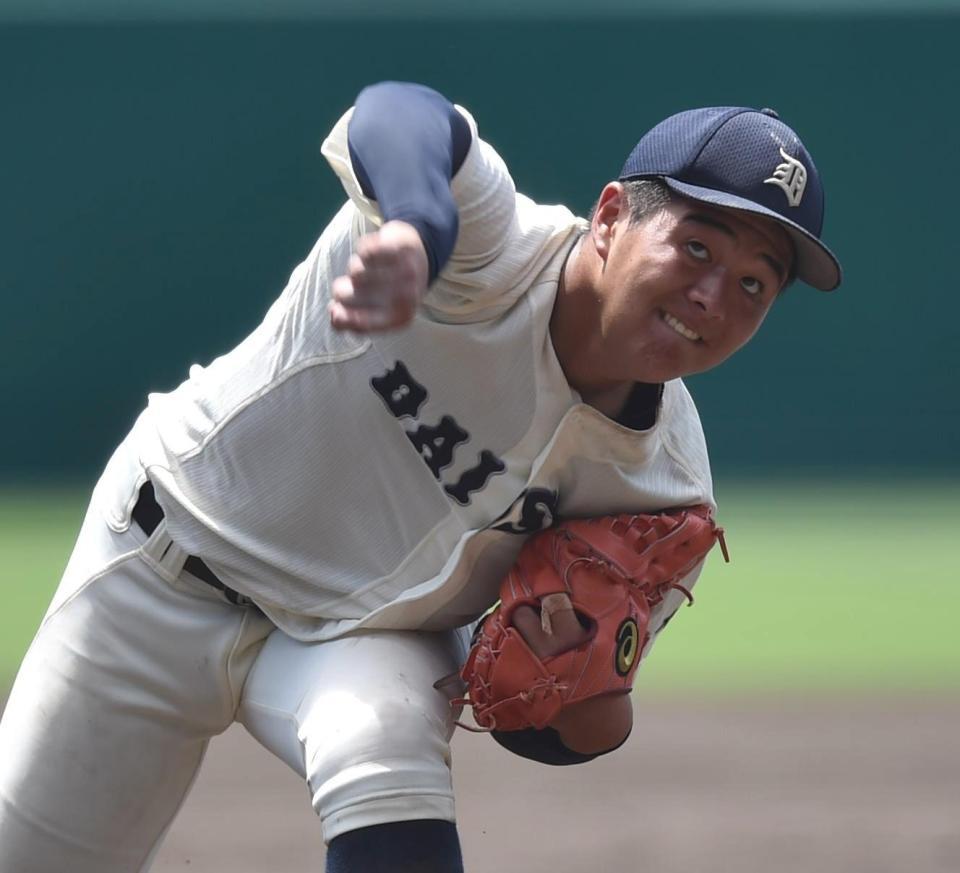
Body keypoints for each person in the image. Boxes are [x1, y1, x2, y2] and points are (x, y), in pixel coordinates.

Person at [0, 81, 840, 873]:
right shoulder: (486, 249)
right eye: (697, 246)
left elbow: (550, 728)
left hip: (358, 642)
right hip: (162, 569)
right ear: (612, 217)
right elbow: (398, 113)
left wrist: (578, 691)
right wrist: (412, 227)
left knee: (388, 745)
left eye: (754, 285)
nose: (713, 296)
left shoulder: (664, 487)